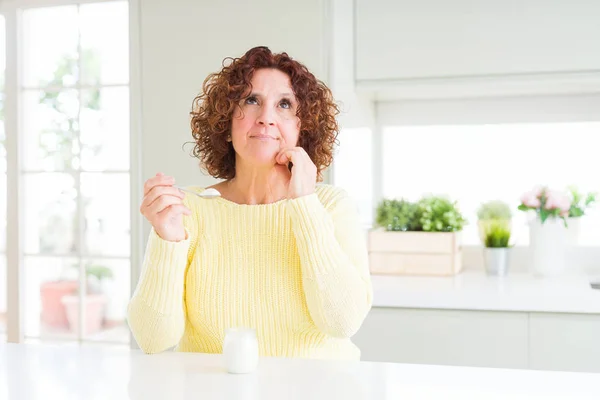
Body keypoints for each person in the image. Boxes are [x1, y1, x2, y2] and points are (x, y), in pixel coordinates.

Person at [127, 46, 373, 361]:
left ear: (302, 127)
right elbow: (152, 338)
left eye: (284, 104)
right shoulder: (188, 208)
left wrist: (305, 204)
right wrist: (168, 240)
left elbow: (343, 322)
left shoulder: (330, 205)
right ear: (226, 124)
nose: (266, 118)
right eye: (251, 100)